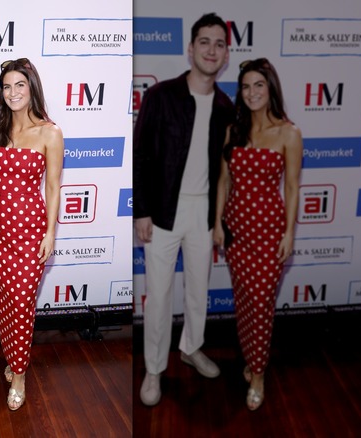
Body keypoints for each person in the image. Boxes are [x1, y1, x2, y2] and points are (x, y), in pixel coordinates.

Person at [133, 12, 235, 406]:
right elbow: (141, 155)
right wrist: (142, 211)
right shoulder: (161, 97)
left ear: (226, 55)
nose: (212, 50)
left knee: (197, 291)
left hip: (204, 214)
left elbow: (227, 170)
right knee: (158, 294)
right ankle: (155, 369)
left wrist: (220, 220)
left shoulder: (227, 106)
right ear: (191, 49)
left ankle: (192, 348)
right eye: (204, 42)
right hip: (161, 211)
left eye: (219, 43)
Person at [0, 58, 63, 411]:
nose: (12, 93)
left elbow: (53, 187)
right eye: (7, 87)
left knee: (23, 304)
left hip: (30, 233)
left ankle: (21, 372)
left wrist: (51, 233)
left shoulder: (50, 132)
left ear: (31, 89)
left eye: (19, 86)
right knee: (6, 302)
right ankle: (12, 357)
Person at [213, 58, 302, 411]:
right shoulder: (233, 130)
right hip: (237, 231)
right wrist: (219, 223)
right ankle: (250, 359)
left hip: (269, 233)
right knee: (245, 303)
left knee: (262, 304)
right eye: (246, 87)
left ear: (270, 89)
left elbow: (293, 187)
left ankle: (260, 372)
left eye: (258, 86)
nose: (251, 93)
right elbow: (223, 180)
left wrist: (289, 234)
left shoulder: (289, 133)